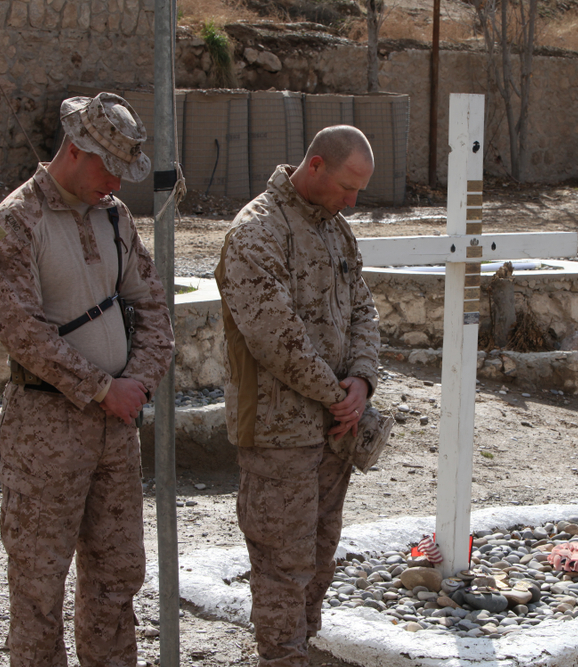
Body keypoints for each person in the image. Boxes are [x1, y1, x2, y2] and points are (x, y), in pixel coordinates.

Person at [0, 92, 175, 667]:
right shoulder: (13, 223)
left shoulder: (115, 216)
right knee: (39, 587)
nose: (115, 181)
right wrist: (102, 388)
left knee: (117, 578)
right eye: (107, 167)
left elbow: (154, 305)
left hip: (116, 429)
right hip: (48, 431)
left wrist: (137, 380)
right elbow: (24, 332)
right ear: (74, 149)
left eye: (122, 171)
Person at [214, 125, 381, 667]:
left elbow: (363, 309)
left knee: (319, 554)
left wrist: (361, 379)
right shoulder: (256, 231)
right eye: (346, 188)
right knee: (281, 563)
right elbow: (273, 336)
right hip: (278, 432)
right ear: (314, 167)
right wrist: (338, 395)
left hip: (335, 429)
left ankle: (300, 648)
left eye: (359, 191)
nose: (353, 202)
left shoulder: (337, 230)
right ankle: (282, 657)